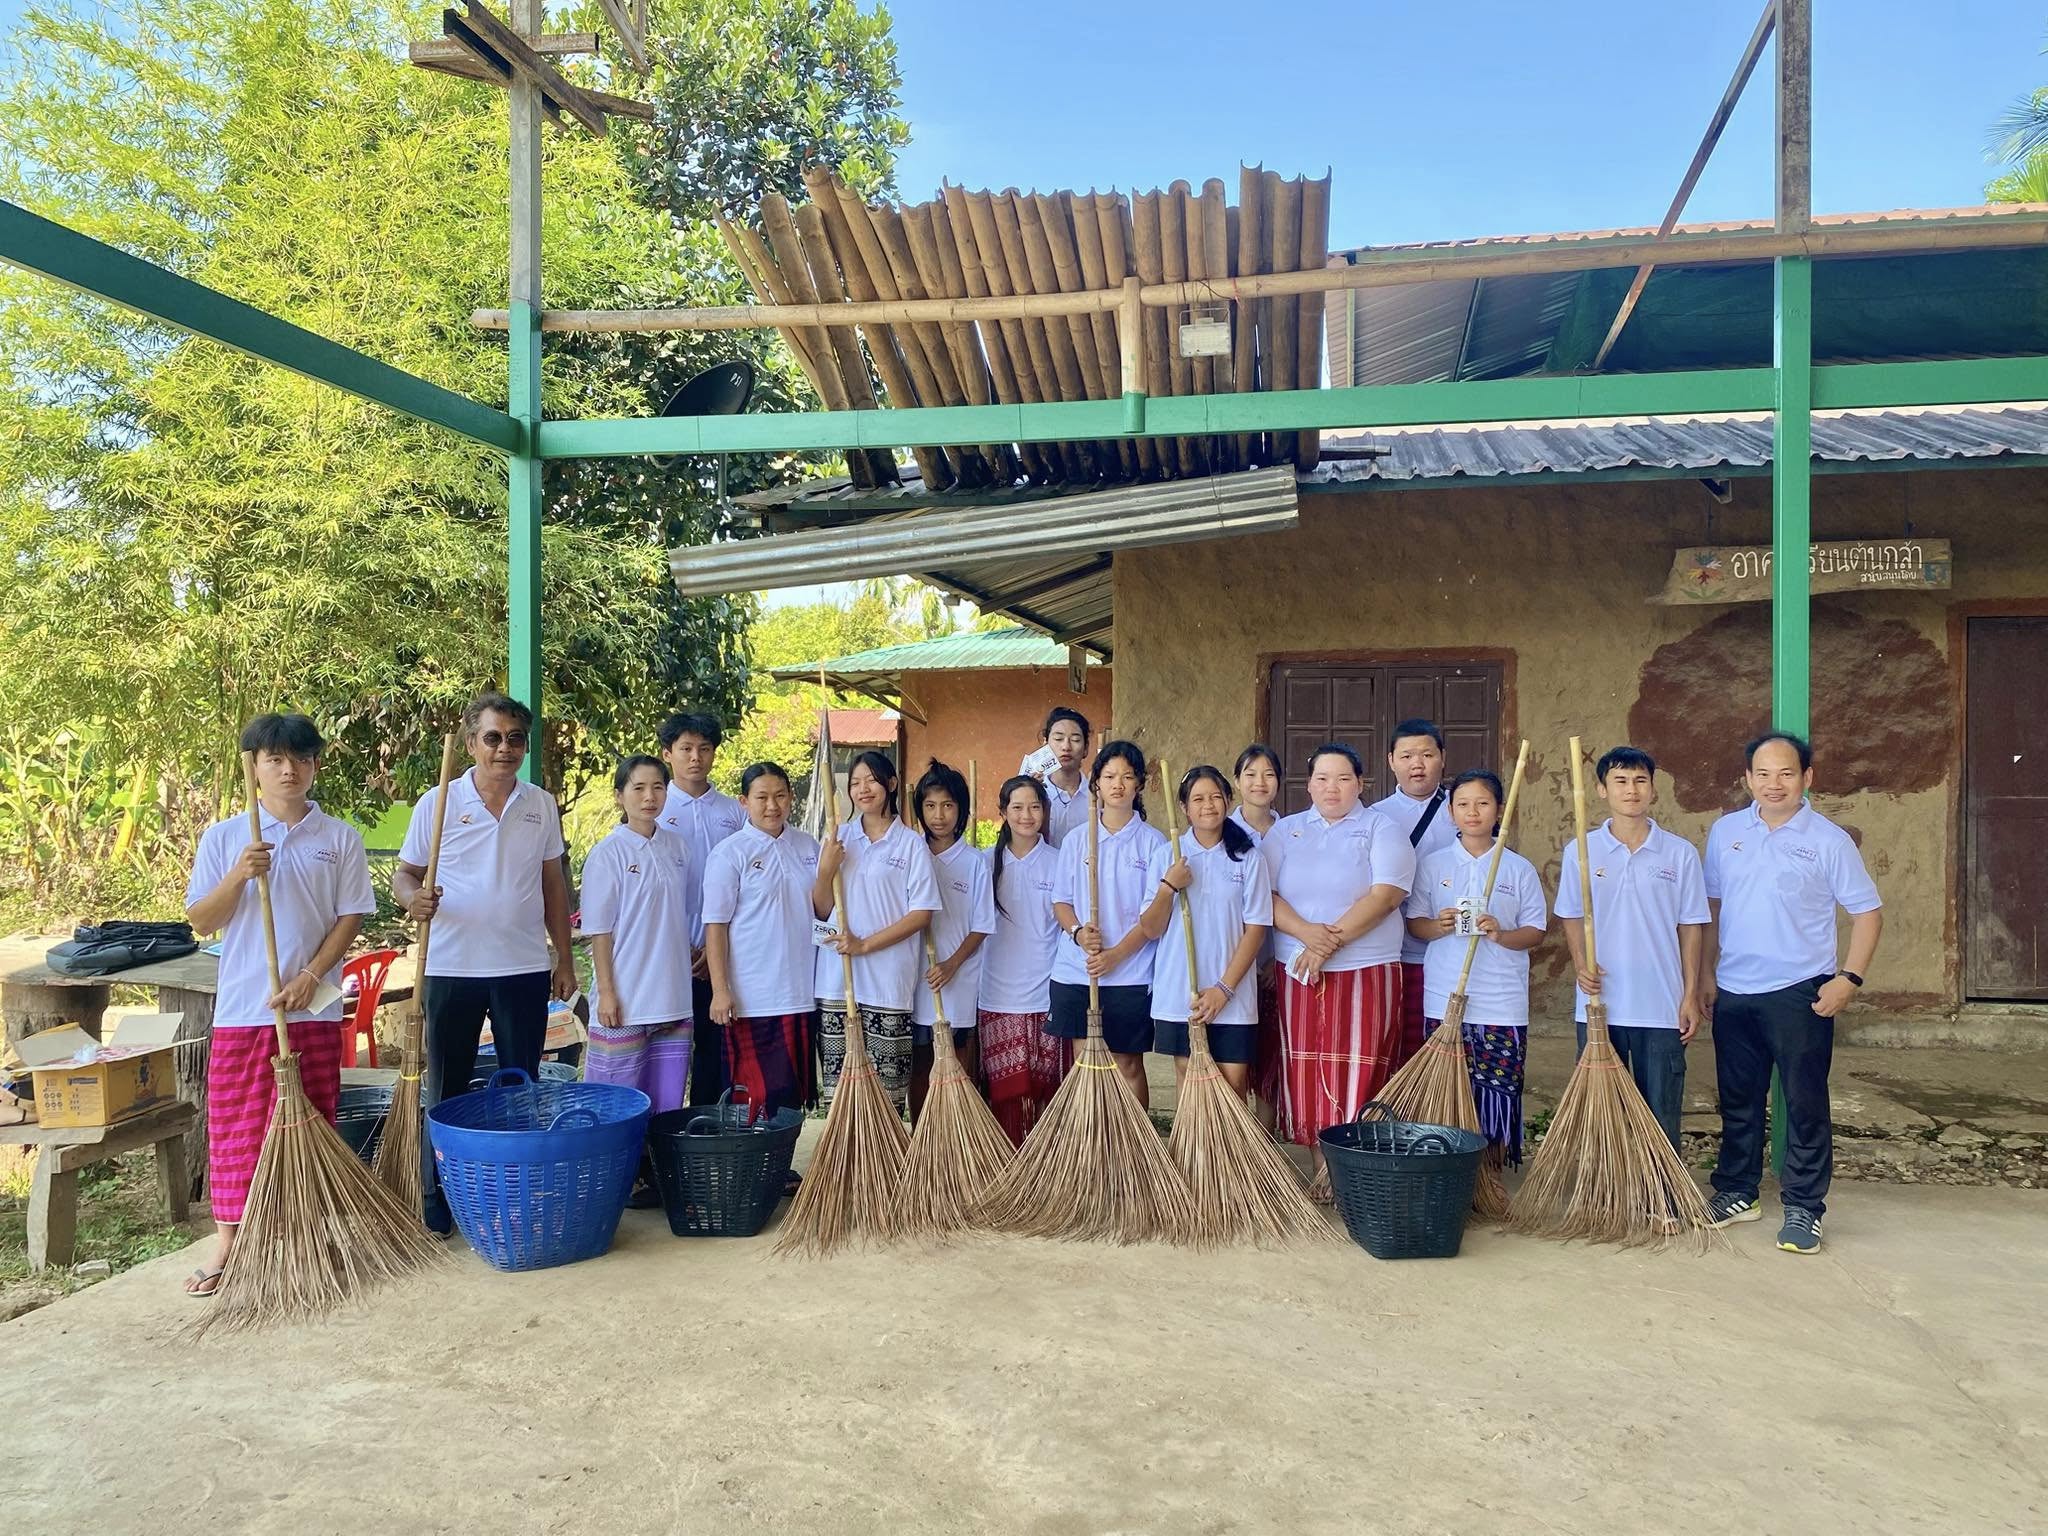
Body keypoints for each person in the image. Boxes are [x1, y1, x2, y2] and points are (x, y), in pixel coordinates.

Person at [181, 713, 375, 1296]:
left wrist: (312, 974)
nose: (290, 769)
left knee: (311, 1119)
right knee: (237, 1126)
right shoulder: (226, 838)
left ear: (314, 764)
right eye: (275, 759)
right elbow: (201, 920)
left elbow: (351, 915)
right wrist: (241, 874)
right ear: (255, 768)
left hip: (313, 1006)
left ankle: (307, 1237)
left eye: (301, 758)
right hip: (246, 1007)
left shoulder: (338, 837)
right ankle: (229, 1244)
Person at [394, 693, 574, 1232]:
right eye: (493, 737)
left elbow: (553, 886)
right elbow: (406, 874)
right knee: (446, 1088)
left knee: (521, 1085)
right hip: (452, 967)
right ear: (472, 742)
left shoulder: (540, 804)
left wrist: (563, 957)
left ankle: (512, 1193)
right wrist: (412, 900)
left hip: (522, 966)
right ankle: (440, 1201)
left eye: (515, 738)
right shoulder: (439, 802)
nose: (504, 748)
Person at [1703, 732, 1883, 1255]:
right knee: (1738, 1099)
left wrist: (1849, 979)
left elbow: (1867, 913)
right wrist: (1707, 975)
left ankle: (1804, 1206)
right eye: (1762, 774)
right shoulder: (1726, 832)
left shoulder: (1829, 840)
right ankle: (1737, 1192)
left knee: (1804, 1102)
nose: (1773, 784)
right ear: (1747, 779)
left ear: (1807, 778)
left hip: (1800, 992)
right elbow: (1712, 907)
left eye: (1786, 773)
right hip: (1735, 989)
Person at [1265, 742, 1416, 1193]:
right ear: (1309, 785)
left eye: (1344, 778)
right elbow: (1265, 895)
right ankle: (1321, 1162)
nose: (1332, 788)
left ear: (1361, 784)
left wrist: (1327, 944)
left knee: (1357, 1066)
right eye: (1323, 779)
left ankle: (1351, 1162)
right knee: (1307, 1066)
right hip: (1298, 969)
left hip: (1366, 969)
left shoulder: (1382, 829)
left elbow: (1386, 895)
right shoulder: (1286, 831)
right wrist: (1308, 935)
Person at [1553, 745, 1709, 1151]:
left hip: (1661, 1004)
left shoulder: (1679, 853)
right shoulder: (1581, 851)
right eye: (1620, 780)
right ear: (1602, 789)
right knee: (1601, 1114)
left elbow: (1691, 926)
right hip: (1599, 1004)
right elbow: (1571, 915)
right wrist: (1581, 964)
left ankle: (1660, 1188)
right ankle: (1608, 1186)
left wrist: (1690, 994)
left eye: (1640, 780)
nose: (1631, 790)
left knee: (1661, 1111)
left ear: (1653, 789)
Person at [1404, 769, 1548, 1171]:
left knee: (1498, 1090)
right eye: (1463, 804)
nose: (1473, 812)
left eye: (1483, 803)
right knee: (1448, 1090)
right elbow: (1415, 925)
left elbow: (1536, 931)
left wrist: (1501, 934)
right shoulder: (1433, 865)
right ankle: (1449, 1174)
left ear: (1499, 810)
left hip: (1501, 1000)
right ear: (1451, 811)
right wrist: (1439, 925)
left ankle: (1490, 1174)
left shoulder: (1516, 868)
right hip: (1445, 996)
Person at [813, 751, 940, 1113]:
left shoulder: (911, 844)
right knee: (841, 1096)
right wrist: (826, 870)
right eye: (855, 782)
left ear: (891, 784)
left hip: (887, 982)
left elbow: (922, 914)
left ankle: (884, 1152)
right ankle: (846, 1150)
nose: (863, 788)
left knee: (886, 1097)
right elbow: (821, 909)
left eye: (871, 780)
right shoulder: (838, 838)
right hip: (837, 979)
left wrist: (865, 944)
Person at [1138, 765, 1272, 1098]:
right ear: (1184, 807)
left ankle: (1229, 1138)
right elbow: (1151, 928)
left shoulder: (1248, 858)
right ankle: (1191, 1137)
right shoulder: (1168, 856)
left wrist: (1223, 990)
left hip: (1233, 993)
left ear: (1228, 800)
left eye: (1215, 797)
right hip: (1180, 990)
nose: (1208, 805)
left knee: (1233, 1082)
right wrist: (1169, 886)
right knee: (1188, 1079)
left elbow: (1256, 930)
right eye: (1198, 799)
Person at [702, 762, 823, 1121]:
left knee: (791, 1094)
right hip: (752, 997)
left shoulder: (808, 846)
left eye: (780, 796)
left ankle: (783, 1156)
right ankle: (751, 1157)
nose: (773, 806)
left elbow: (822, 909)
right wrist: (720, 990)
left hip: (801, 992)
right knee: (752, 1095)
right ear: (744, 801)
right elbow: (716, 926)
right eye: (762, 797)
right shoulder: (730, 853)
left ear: (791, 798)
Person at [1050, 739, 1167, 1105]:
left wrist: (1115, 956)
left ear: (1139, 785)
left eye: (1127, 777)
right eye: (1109, 776)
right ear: (1096, 783)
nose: (1118, 784)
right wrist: (1078, 933)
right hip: (1077, 970)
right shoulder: (1077, 840)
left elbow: (1153, 919)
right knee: (1083, 1063)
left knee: (1127, 1063)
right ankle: (1090, 1134)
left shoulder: (1153, 843)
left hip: (1131, 973)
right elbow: (1061, 901)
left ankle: (1133, 1137)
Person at [581, 756, 696, 1114]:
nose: (650, 797)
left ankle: (655, 1154)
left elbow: (681, 914)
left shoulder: (678, 847)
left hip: (673, 995)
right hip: (625, 998)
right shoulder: (607, 854)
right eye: (639, 788)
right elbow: (599, 932)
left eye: (658, 787)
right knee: (614, 1104)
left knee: (665, 1102)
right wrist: (607, 993)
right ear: (619, 796)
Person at [655, 711, 747, 1105]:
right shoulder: (653, 808)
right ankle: (663, 1132)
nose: (696, 757)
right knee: (666, 1051)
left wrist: (715, 951)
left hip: (720, 956)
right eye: (686, 748)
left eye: (704, 748)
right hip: (666, 953)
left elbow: (746, 886)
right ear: (667, 753)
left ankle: (709, 1130)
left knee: (716, 1050)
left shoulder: (735, 813)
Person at [977, 774, 1073, 1145]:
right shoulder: (985, 862)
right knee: (1005, 1095)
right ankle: (1007, 1162)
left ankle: (1044, 1164)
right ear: (1002, 812)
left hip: (1046, 993)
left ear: (1045, 811)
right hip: (996, 995)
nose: (1026, 815)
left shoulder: (1059, 861)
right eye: (1017, 807)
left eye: (1034, 807)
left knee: (1047, 1092)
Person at [909, 759, 995, 1120]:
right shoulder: (912, 854)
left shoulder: (974, 862)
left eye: (947, 805)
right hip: (916, 978)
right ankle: (923, 1136)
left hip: (958, 980)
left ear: (961, 809)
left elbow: (981, 925)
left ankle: (955, 1135)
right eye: (930, 806)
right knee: (920, 1063)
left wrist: (952, 964)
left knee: (957, 1062)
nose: (938, 815)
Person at [1370, 719, 1455, 1070]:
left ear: (1442, 757)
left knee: (1446, 1047)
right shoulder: (1375, 817)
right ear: (1391, 761)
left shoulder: (1461, 809)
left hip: (1451, 948)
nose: (1417, 764)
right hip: (1393, 951)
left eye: (1427, 755)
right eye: (1406, 756)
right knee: (1397, 1045)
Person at [1232, 743, 1286, 1120]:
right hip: (1231, 963)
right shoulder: (1220, 831)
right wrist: (1244, 964)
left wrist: (1276, 959)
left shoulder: (1293, 832)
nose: (1259, 782)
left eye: (1268, 774)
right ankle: (1235, 1138)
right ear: (1237, 781)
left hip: (1278, 961)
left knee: (1271, 1055)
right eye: (1250, 774)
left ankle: (1265, 1139)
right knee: (1234, 1059)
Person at [1026, 706, 1093, 847]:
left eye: (1075, 740)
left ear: (1086, 748)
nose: (1066, 747)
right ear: (1045, 744)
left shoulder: (1097, 795)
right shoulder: (1033, 791)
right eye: (1058, 738)